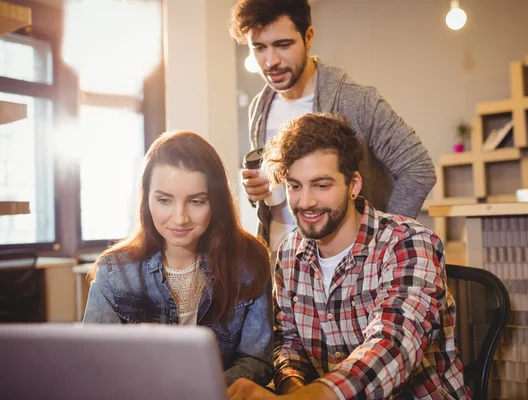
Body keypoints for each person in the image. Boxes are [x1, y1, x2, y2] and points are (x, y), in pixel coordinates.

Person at [227, 114, 469, 399]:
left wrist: (309, 397)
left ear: (353, 185)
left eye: (322, 185)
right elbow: (288, 342)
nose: (306, 202)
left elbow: (394, 346)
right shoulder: (290, 253)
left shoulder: (409, 243)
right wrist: (293, 389)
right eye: (295, 186)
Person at [229, 0, 436, 261]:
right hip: (282, 256)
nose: (271, 61)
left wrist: (381, 240)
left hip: (349, 259)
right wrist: (256, 191)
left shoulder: (355, 100)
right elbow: (276, 188)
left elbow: (418, 168)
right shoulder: (260, 106)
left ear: (308, 37)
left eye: (283, 45)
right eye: (259, 48)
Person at [83, 131, 273, 387]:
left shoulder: (249, 263)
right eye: (164, 200)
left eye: (196, 201)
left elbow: (257, 360)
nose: (180, 218)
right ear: (146, 199)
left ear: (216, 202)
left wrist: (201, 391)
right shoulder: (114, 272)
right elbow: (94, 366)